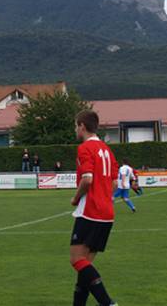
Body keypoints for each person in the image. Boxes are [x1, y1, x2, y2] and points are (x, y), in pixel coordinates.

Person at [70, 110, 118, 306]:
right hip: (107, 213)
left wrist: (75, 198)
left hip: (90, 211)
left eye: (75, 125)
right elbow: (115, 182)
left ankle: (108, 303)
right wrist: (105, 196)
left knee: (76, 260)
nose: (75, 129)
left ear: (82, 125)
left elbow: (87, 179)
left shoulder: (84, 148)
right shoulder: (106, 149)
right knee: (85, 265)